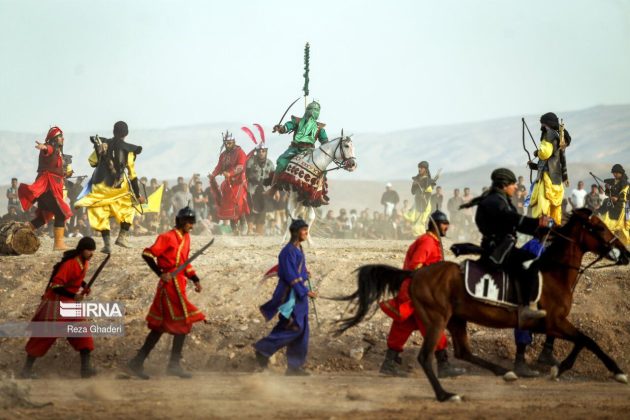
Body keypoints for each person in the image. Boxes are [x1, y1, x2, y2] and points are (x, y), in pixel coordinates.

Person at [379, 210, 465, 378]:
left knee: (402, 326)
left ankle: (389, 363)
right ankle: (443, 364)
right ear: (435, 225)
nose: (447, 226)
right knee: (434, 325)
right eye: (444, 223)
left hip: (416, 293)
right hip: (420, 294)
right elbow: (416, 267)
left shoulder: (432, 242)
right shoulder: (427, 242)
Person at [461, 168, 550, 323]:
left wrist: (540, 228)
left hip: (503, 247)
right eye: (512, 184)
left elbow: (514, 223)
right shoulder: (495, 201)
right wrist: (536, 223)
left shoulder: (500, 200)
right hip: (498, 250)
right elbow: (511, 218)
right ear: (503, 186)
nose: (515, 187)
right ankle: (525, 308)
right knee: (531, 262)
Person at [127, 207, 205, 379]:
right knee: (183, 322)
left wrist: (195, 279)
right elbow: (147, 254)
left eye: (192, 223)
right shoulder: (166, 237)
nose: (192, 226)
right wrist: (160, 273)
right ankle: (173, 365)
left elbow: (184, 264)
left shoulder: (186, 238)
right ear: (182, 222)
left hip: (180, 284)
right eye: (189, 222)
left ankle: (137, 363)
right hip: (169, 286)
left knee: (160, 328)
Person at [20, 237, 98, 378]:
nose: (91, 254)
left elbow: (76, 278)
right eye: (89, 251)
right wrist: (74, 296)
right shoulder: (70, 263)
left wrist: (83, 285)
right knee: (43, 337)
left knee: (83, 332)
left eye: (93, 251)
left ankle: (85, 369)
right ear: (82, 250)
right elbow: (56, 286)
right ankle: (26, 371)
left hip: (69, 304)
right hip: (56, 303)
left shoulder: (83, 262)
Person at [254, 219, 317, 376]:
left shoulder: (298, 248)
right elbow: (290, 275)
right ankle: (263, 348)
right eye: (303, 230)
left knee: (301, 330)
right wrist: (305, 291)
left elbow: (297, 270)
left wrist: (305, 273)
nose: (306, 233)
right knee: (295, 326)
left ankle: (294, 367)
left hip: (299, 296)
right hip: (291, 295)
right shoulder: (288, 251)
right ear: (295, 232)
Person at [74, 121, 144, 253]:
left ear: (113, 131)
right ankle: (121, 237)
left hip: (100, 187)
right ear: (126, 133)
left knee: (101, 212)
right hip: (118, 188)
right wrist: (138, 194)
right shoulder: (128, 150)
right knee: (129, 208)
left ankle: (107, 245)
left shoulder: (102, 145)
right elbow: (132, 175)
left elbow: (92, 162)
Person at [18, 127, 74, 250]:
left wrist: (64, 174)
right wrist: (44, 147)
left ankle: (21, 232)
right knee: (62, 213)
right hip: (48, 189)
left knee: (43, 217)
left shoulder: (57, 152)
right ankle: (58, 244)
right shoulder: (51, 148)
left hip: (49, 189)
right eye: (59, 136)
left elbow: (55, 168)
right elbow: (46, 149)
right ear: (54, 139)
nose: (62, 139)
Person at [269, 101, 329, 194]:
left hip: (310, 151)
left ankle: (320, 194)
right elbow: (287, 126)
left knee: (322, 169)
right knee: (281, 162)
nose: (314, 112)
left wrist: (326, 147)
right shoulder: (297, 121)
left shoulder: (319, 128)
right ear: (308, 110)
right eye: (312, 110)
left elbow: (325, 142)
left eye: (316, 110)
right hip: (295, 149)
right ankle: (273, 188)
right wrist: (281, 128)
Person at [528, 112, 571, 225]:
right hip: (556, 178)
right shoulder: (557, 135)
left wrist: (537, 152)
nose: (541, 126)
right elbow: (553, 160)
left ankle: (542, 231)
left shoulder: (549, 134)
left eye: (542, 123)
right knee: (554, 209)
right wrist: (535, 166)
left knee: (542, 208)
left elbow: (545, 153)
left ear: (545, 123)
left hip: (547, 178)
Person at [209, 131, 250, 234]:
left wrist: (230, 173)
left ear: (234, 142)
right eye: (226, 143)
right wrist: (213, 174)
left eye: (230, 143)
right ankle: (234, 226)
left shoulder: (240, 152)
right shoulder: (223, 155)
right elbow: (219, 167)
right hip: (228, 182)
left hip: (239, 181)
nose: (228, 145)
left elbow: (241, 166)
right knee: (227, 202)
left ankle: (243, 220)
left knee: (238, 202)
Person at [245, 145, 275, 235]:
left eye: (263, 151)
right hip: (252, 189)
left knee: (263, 210)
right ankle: (249, 230)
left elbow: (273, 178)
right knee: (250, 209)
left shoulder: (270, 163)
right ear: (256, 152)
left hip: (264, 189)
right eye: (259, 151)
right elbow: (245, 174)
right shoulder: (251, 161)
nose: (261, 153)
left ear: (266, 152)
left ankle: (259, 232)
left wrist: (274, 190)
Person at [600, 164, 629, 245]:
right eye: (613, 173)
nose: (614, 174)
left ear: (620, 173)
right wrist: (607, 189)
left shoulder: (625, 183)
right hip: (613, 207)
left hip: (622, 207)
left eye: (616, 173)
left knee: (622, 227)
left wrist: (618, 199)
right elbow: (608, 194)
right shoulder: (612, 181)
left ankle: (625, 244)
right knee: (609, 224)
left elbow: (627, 196)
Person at [406, 161, 435, 235]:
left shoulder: (428, 180)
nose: (419, 169)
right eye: (419, 168)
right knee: (415, 222)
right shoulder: (416, 179)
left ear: (425, 169)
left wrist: (425, 193)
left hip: (425, 203)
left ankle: (424, 238)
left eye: (421, 168)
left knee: (422, 222)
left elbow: (429, 191)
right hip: (417, 203)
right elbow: (413, 192)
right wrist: (415, 184)